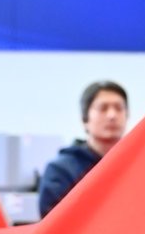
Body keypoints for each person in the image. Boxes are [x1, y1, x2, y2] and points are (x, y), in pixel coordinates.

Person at [36, 81, 127, 218]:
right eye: (103, 108)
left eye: (119, 108)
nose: (112, 115)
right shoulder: (61, 170)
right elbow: (53, 221)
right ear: (85, 119)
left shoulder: (137, 164)